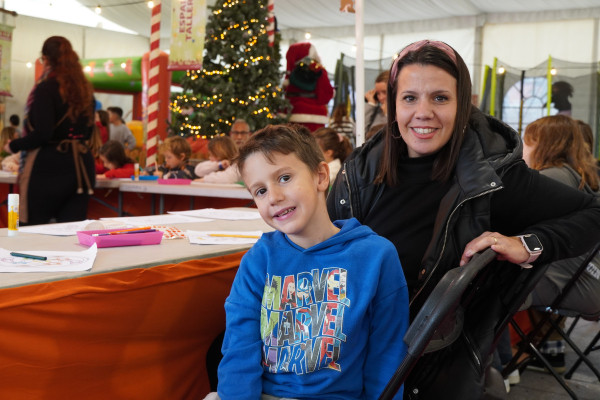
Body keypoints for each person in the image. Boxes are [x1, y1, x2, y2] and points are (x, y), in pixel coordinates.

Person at [326, 39, 600, 399]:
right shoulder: (360, 173)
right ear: (392, 104)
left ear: (462, 105)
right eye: (409, 98)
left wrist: (527, 245)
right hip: (344, 351)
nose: (423, 112)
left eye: (440, 98)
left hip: (420, 370)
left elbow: (593, 213)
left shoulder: (493, 176)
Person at [210, 124, 409, 400]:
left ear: (320, 176)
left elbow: (387, 356)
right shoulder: (259, 259)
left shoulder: (376, 256)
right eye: (260, 191)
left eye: (285, 178)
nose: (274, 198)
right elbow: (239, 349)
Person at [522, 115, 600, 372]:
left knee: (496, 283)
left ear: (545, 145)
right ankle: (544, 351)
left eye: (527, 142)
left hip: (581, 284)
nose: (522, 148)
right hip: (591, 279)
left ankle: (494, 366)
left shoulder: (552, 177)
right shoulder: (584, 173)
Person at [3, 36, 96, 225]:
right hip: (82, 167)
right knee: (71, 231)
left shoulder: (46, 88)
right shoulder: (85, 89)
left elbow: (43, 133)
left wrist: (14, 144)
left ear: (46, 59)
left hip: (49, 167)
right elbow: (88, 132)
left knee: (33, 229)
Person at [283, 42, 334, 132]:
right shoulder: (318, 69)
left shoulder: (290, 74)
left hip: (291, 114)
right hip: (315, 116)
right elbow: (325, 96)